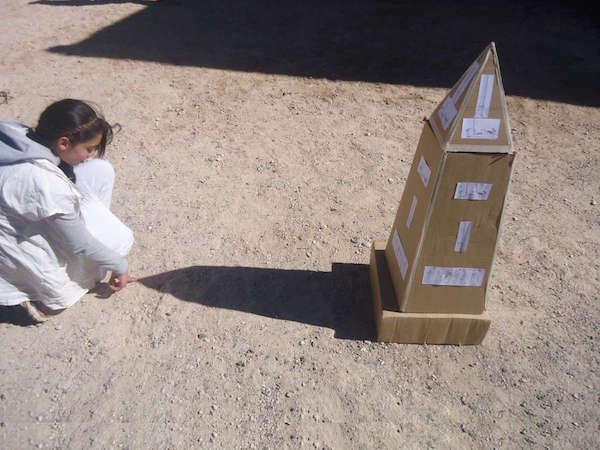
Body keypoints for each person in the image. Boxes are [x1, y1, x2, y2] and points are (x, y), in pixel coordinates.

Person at [0, 99, 135, 321]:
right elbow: (80, 244)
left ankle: (84, 241)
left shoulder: (18, 134)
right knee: (121, 236)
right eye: (89, 148)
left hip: (23, 213)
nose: (90, 154)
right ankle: (36, 299)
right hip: (15, 243)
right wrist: (120, 266)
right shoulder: (42, 181)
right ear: (63, 143)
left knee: (101, 170)